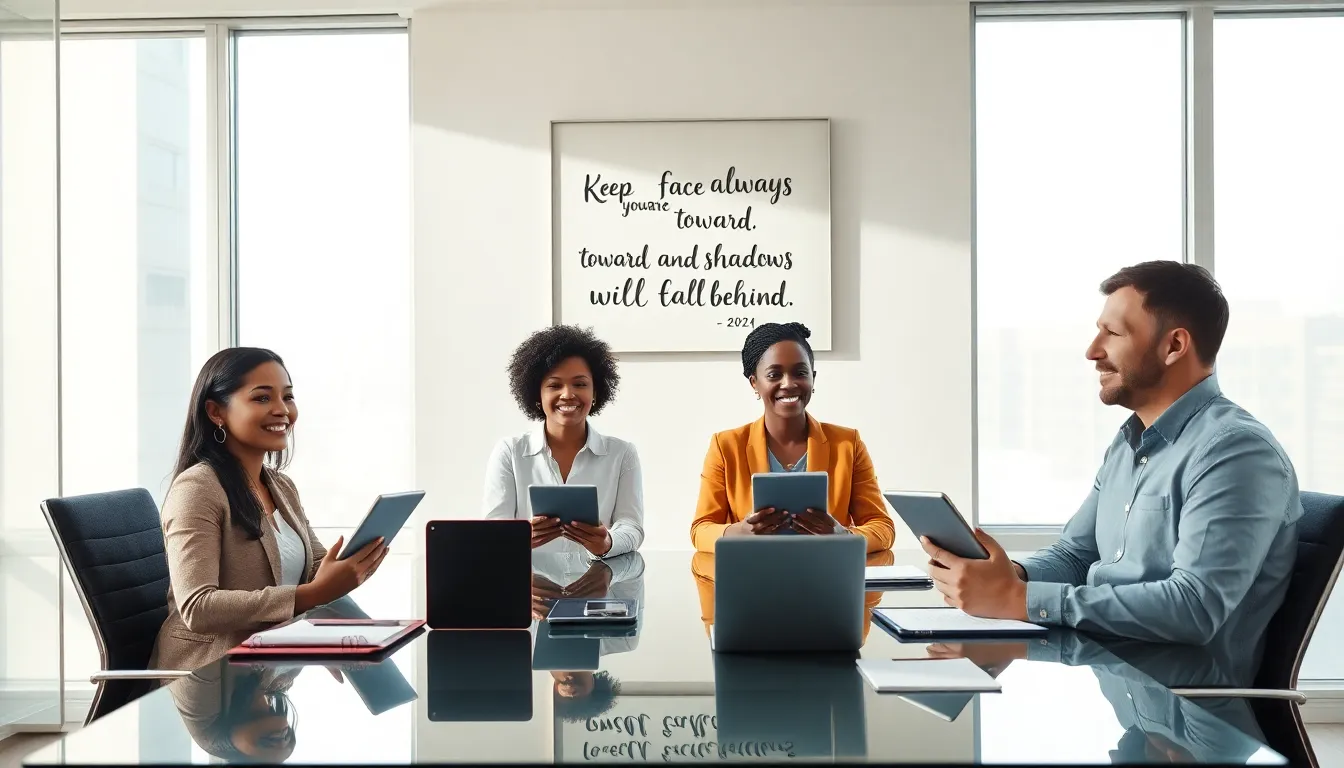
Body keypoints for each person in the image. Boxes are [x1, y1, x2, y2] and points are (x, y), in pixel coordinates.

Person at [922, 262, 1301, 663]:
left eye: (1113, 333)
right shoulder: (1129, 443)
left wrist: (1019, 600)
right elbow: (1076, 555)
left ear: (1174, 346)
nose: (1092, 350)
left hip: (1186, 707)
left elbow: (1194, 608)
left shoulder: (1236, 452)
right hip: (1107, 673)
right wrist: (1009, 578)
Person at [150, 348, 388, 673]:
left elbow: (315, 566)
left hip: (271, 669)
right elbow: (198, 608)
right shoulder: (197, 489)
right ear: (216, 412)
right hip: (210, 681)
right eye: (262, 398)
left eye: (287, 397)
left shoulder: (281, 485)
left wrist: (348, 566)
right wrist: (313, 594)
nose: (282, 410)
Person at [691, 322, 895, 553]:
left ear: (813, 378)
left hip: (828, 577)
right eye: (774, 374)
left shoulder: (848, 444)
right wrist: (740, 532)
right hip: (754, 579)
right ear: (754, 383)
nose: (788, 384)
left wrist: (841, 535)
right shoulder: (726, 446)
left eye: (800, 372)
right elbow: (701, 530)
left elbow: (883, 528)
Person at [483, 325, 644, 558]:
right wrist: (518, 537)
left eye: (580, 384)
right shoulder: (510, 452)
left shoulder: (622, 454)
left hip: (600, 585)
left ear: (595, 392)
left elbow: (632, 526)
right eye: (554, 385)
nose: (568, 394)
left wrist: (607, 542)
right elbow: (493, 530)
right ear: (537, 394)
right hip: (529, 590)